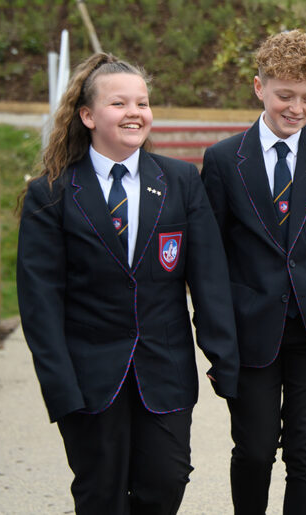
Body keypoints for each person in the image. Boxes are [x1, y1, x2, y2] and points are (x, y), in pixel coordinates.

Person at [17, 53, 239, 514]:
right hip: (89, 379)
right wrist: (59, 386)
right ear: (88, 115)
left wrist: (223, 356)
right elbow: (39, 302)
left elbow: (209, 279)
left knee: (167, 482)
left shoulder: (180, 182)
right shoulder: (52, 194)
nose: (135, 112)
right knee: (101, 495)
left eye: (143, 102)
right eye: (119, 103)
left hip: (165, 370)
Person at [201, 30, 306, 515]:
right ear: (259, 87)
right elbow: (210, 261)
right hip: (250, 333)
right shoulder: (222, 161)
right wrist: (216, 340)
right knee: (255, 450)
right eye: (285, 96)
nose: (296, 108)